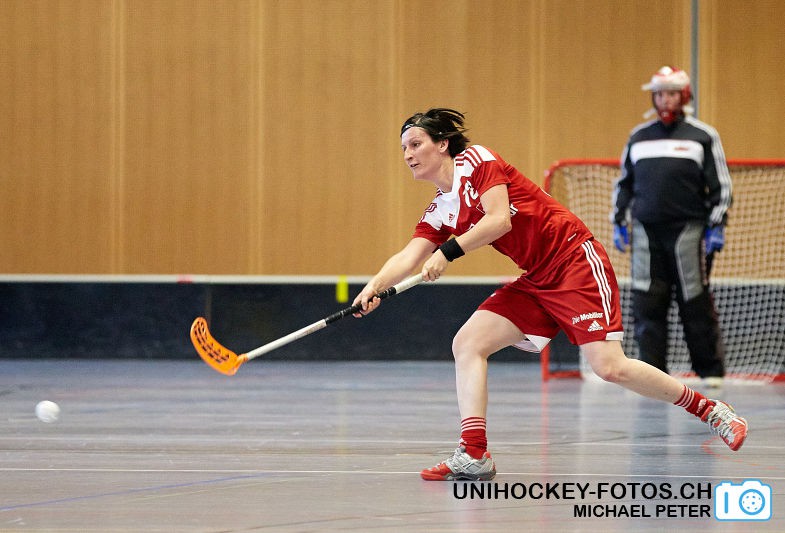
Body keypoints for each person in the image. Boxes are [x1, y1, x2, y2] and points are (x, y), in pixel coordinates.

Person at [352, 107, 747, 481]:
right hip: (537, 278)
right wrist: (373, 288)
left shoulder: (477, 160)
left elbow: (499, 220)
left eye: (416, 144)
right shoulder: (441, 209)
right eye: (404, 148)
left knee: (610, 367)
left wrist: (448, 251)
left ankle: (711, 410)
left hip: (574, 261)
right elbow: (409, 256)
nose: (408, 154)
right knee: (468, 343)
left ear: (442, 144)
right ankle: (474, 453)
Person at [611, 66, 732, 388]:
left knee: (694, 300)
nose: (666, 100)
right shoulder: (638, 137)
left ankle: (710, 370)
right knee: (647, 301)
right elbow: (624, 183)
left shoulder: (703, 135)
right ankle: (652, 372)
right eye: (660, 94)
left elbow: (721, 186)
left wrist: (717, 224)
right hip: (645, 232)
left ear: (684, 96)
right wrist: (618, 221)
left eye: (672, 94)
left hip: (688, 231)